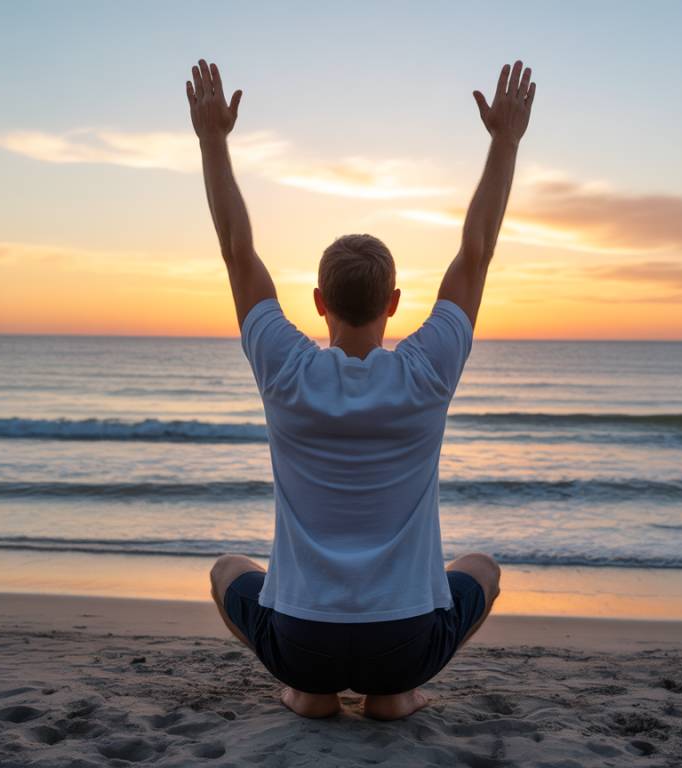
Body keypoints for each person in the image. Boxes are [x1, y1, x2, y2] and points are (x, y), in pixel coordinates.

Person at [186, 57, 535, 720]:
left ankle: (306, 694)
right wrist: (504, 142)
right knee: (482, 569)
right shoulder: (427, 370)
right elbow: (478, 249)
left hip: (300, 640)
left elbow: (237, 249)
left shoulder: (284, 367)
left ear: (319, 301)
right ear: (394, 302)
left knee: (227, 569)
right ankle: (395, 697)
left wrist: (213, 141)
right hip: (405, 645)